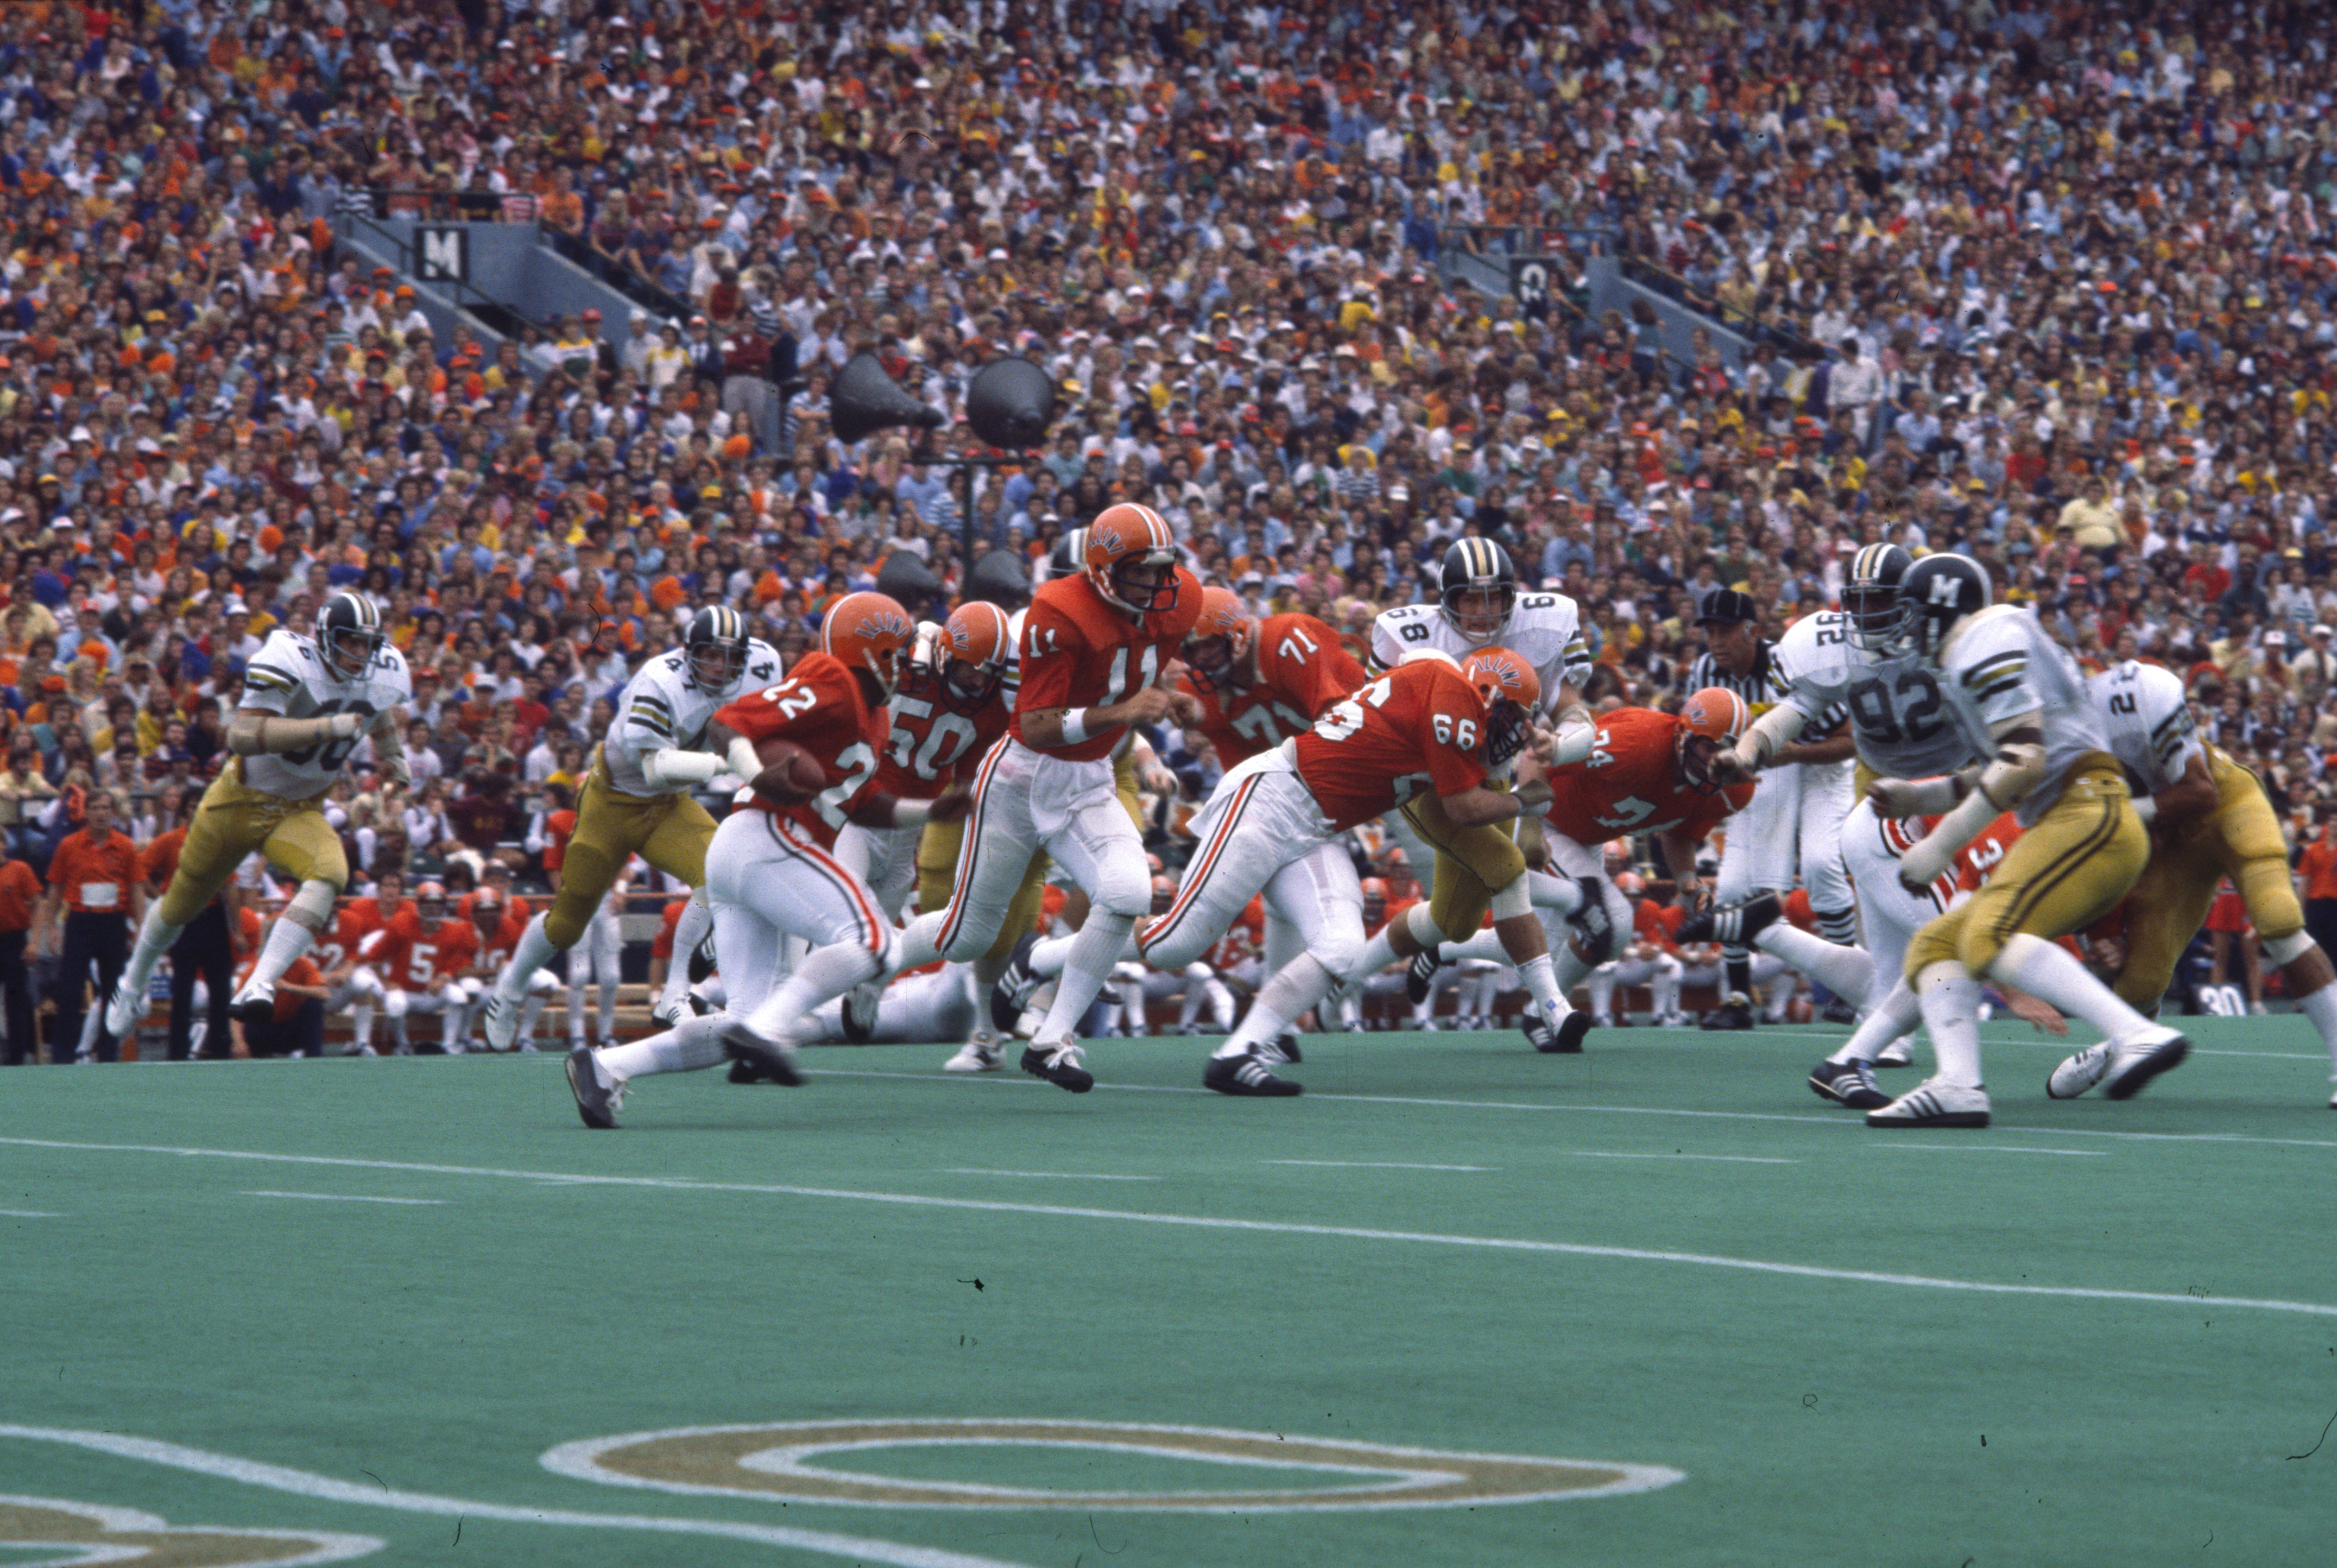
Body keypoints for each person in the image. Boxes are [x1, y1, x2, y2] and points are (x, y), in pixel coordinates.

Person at [564, 592, 965, 1128]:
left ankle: (606, 1067)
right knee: (875, 942)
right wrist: (756, 773)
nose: (905, 667)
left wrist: (932, 810)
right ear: (870, 651)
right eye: (897, 653)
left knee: (742, 1018)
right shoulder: (834, 678)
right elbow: (728, 722)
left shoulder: (874, 718)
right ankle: (768, 1031)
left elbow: (865, 804)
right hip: (769, 834)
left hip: (744, 853)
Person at [1117, 646, 1556, 1093]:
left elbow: (1475, 773)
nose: (1513, 730)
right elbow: (1465, 808)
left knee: (1342, 947)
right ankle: (1072, 952)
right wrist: (1525, 799)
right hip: (1273, 801)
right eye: (1512, 716)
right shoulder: (1448, 696)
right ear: (1486, 693)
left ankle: (1237, 1054)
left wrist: (1542, 748)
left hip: (1317, 827)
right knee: (1176, 944)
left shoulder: (1443, 708)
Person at [1862, 554, 2191, 1129]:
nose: (1906, 628)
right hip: (2071, 811)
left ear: (1943, 609)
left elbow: (2022, 762)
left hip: (2085, 809)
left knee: (1989, 935)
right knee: (1936, 945)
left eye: (1914, 614)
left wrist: (1939, 846)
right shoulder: (1980, 648)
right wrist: (1920, 798)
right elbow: (2006, 766)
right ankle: (1957, 1084)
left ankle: (2135, 1033)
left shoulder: (1980, 641)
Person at [889, 504, 1202, 1094]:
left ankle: (1050, 1037)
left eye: (1160, 569)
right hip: (1019, 775)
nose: (1154, 583)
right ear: (1097, 573)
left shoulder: (1178, 599)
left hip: (1091, 774)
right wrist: (1126, 710)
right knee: (969, 933)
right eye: (1139, 570)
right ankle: (868, 960)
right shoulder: (1051, 612)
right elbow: (1033, 724)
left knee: (1127, 891)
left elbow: (1132, 667)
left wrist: (1164, 696)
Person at [102, 591, 413, 1044]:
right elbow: (243, 735)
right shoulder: (289, 655)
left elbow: (377, 709)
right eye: (351, 641)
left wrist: (391, 754)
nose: (361, 654)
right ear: (326, 637)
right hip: (239, 801)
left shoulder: (380, 671)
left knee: (331, 874)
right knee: (182, 903)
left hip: (299, 809)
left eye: (368, 644)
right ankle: (132, 982)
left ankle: (262, 981)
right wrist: (326, 727)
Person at [483, 607, 781, 1049]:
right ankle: (510, 987)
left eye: (730, 657)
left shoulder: (763, 664)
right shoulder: (658, 682)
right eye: (710, 655)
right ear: (689, 652)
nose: (720, 667)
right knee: (567, 925)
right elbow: (655, 768)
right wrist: (730, 762)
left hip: (669, 806)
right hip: (613, 804)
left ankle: (674, 993)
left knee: (722, 874)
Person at [2045, 659, 2337, 1107]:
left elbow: (2200, 791)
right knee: (2141, 982)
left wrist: (2117, 814)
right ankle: (2118, 1046)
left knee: (2278, 919)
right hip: (2169, 844)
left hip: (2228, 806)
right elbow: (2100, 851)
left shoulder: (2137, 694)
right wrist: (2103, 933)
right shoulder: (2056, 748)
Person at [1347, 540, 1601, 1038]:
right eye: (1470, 598)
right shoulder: (1411, 638)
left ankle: (1344, 978)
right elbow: (1372, 716)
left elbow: (1576, 716)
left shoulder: (1542, 625)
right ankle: (1555, 1011)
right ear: (1447, 600)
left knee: (1452, 922)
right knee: (1507, 872)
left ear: (1512, 595)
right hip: (1425, 777)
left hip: (1493, 773)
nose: (1484, 611)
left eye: (1494, 597)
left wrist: (1556, 746)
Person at [1405, 689, 1756, 1049]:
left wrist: (1688, 882)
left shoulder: (1733, 787)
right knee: (1612, 922)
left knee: (1541, 945)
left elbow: (1680, 831)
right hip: (1549, 821)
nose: (1717, 761)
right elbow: (1537, 756)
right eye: (1709, 747)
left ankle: (1443, 951)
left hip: (1586, 839)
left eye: (1727, 752)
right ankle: (1545, 1012)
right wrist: (1531, 829)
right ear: (1684, 735)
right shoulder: (1636, 741)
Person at [832, 600, 1015, 1055]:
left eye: (989, 672)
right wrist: (923, 635)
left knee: (881, 931)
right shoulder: (909, 669)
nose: (979, 681)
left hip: (909, 828)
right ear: (947, 654)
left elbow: (968, 779)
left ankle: (869, 989)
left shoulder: (992, 708)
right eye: (972, 668)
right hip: (862, 810)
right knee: (841, 913)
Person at [1686, 587, 1856, 1030]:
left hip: (1819, 762)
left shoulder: (1791, 664)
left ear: (1754, 632)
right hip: (1760, 767)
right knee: (1733, 885)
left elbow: (1849, 739)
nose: (1717, 641)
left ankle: (1848, 987)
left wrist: (1797, 752)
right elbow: (1693, 738)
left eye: (1727, 631)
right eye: (1710, 632)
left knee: (1820, 864)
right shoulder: (1705, 671)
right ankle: (1738, 999)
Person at [42, 789, 145, 1061]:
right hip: (80, 921)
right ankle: (62, 1055)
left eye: (105, 808)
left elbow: (136, 889)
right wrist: (51, 927)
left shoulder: (125, 846)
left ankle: (109, 1054)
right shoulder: (69, 845)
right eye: (96, 808)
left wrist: (141, 928)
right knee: (70, 988)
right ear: (86, 812)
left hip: (113, 922)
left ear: (113, 812)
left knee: (113, 990)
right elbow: (55, 888)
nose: (101, 814)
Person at [137, 795, 236, 1061]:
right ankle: (178, 1053)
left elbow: (230, 886)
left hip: (213, 916)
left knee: (221, 987)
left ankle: (220, 1050)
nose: (198, 810)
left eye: (204, 805)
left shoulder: (219, 842)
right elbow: (139, 869)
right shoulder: (170, 841)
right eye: (193, 806)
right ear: (184, 812)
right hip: (183, 918)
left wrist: (237, 929)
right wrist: (160, 898)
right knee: (183, 987)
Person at [0, 831, 42, 1064]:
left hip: (14, 941)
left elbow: (38, 904)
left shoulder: (20, 869)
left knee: (15, 1000)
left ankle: (18, 1056)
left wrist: (34, 942)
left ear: (4, 845)